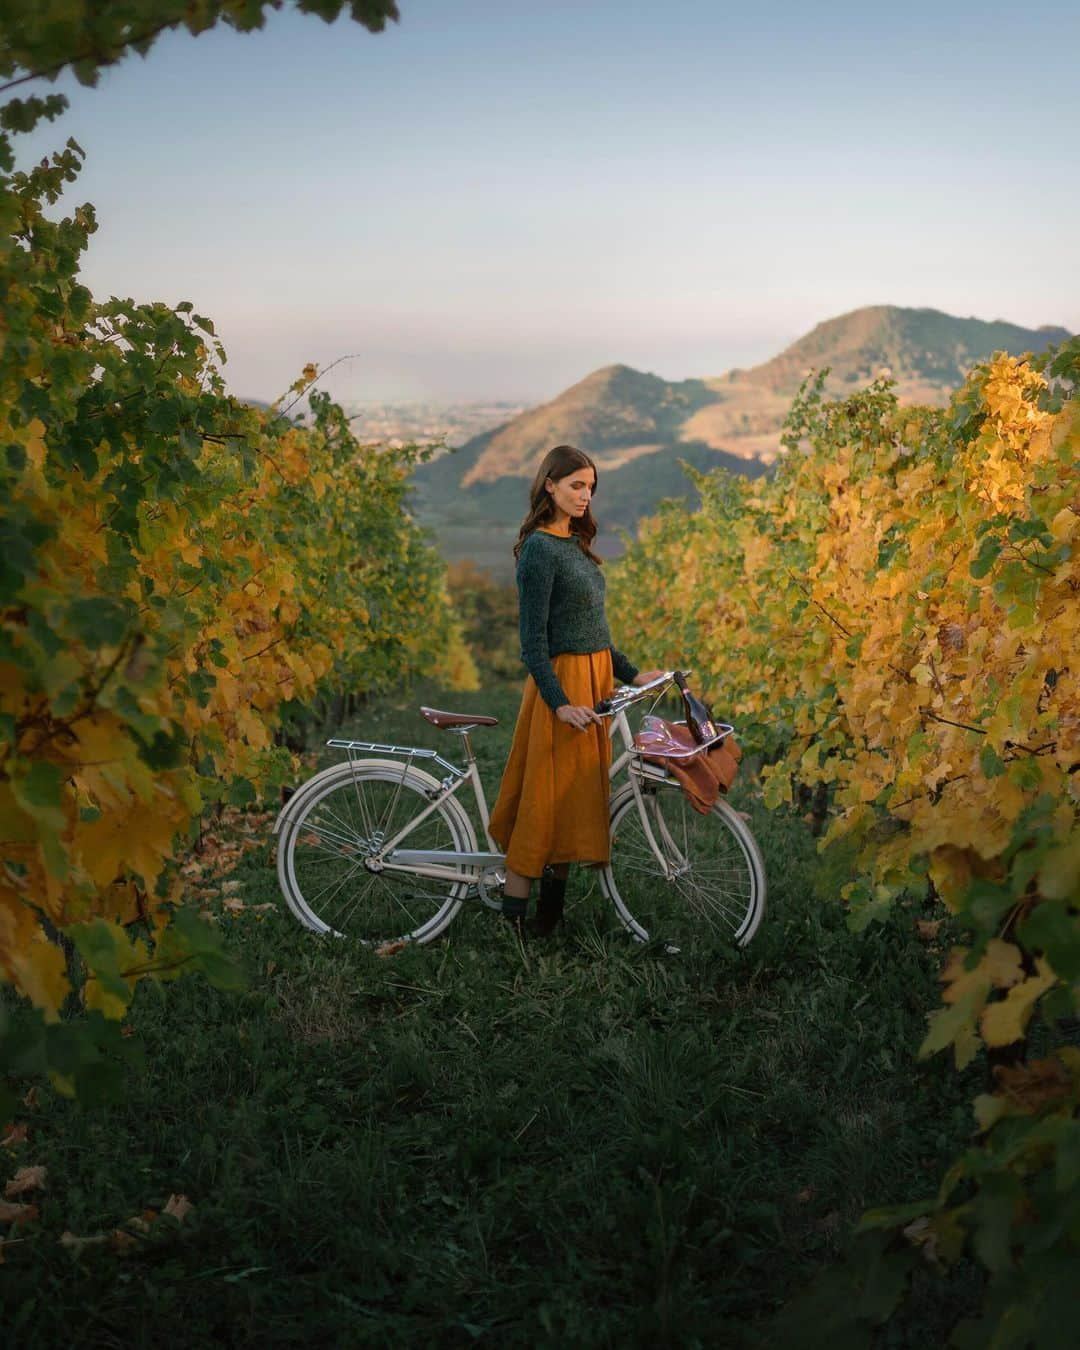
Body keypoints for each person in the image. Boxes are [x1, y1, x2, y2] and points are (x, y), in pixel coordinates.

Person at [487, 444, 664, 938]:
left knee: (573, 799)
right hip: (562, 689)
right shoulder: (541, 551)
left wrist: (632, 674)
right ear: (550, 485)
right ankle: (515, 930)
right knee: (543, 802)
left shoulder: (575, 545)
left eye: (590, 487)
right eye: (575, 486)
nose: (585, 496)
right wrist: (560, 704)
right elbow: (533, 643)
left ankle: (549, 921)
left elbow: (594, 630)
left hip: (594, 682)